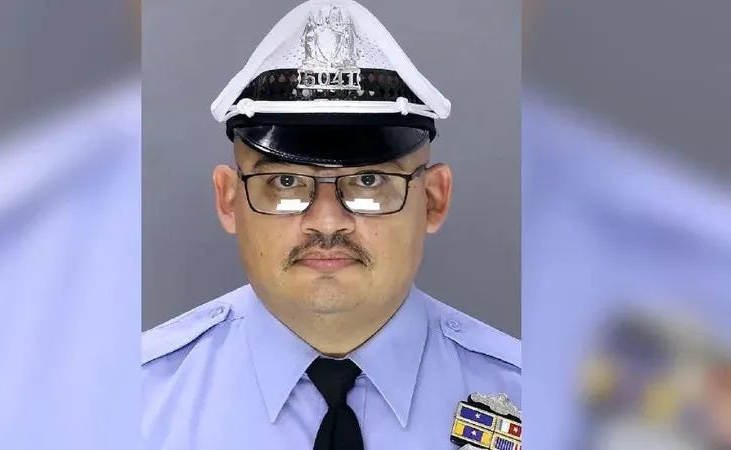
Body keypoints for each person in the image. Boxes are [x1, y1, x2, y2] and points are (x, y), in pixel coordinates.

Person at [141, 1, 520, 449]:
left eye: (369, 180)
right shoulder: (136, 406)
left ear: (434, 200)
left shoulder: (532, 399)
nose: (326, 220)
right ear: (228, 201)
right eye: (284, 182)